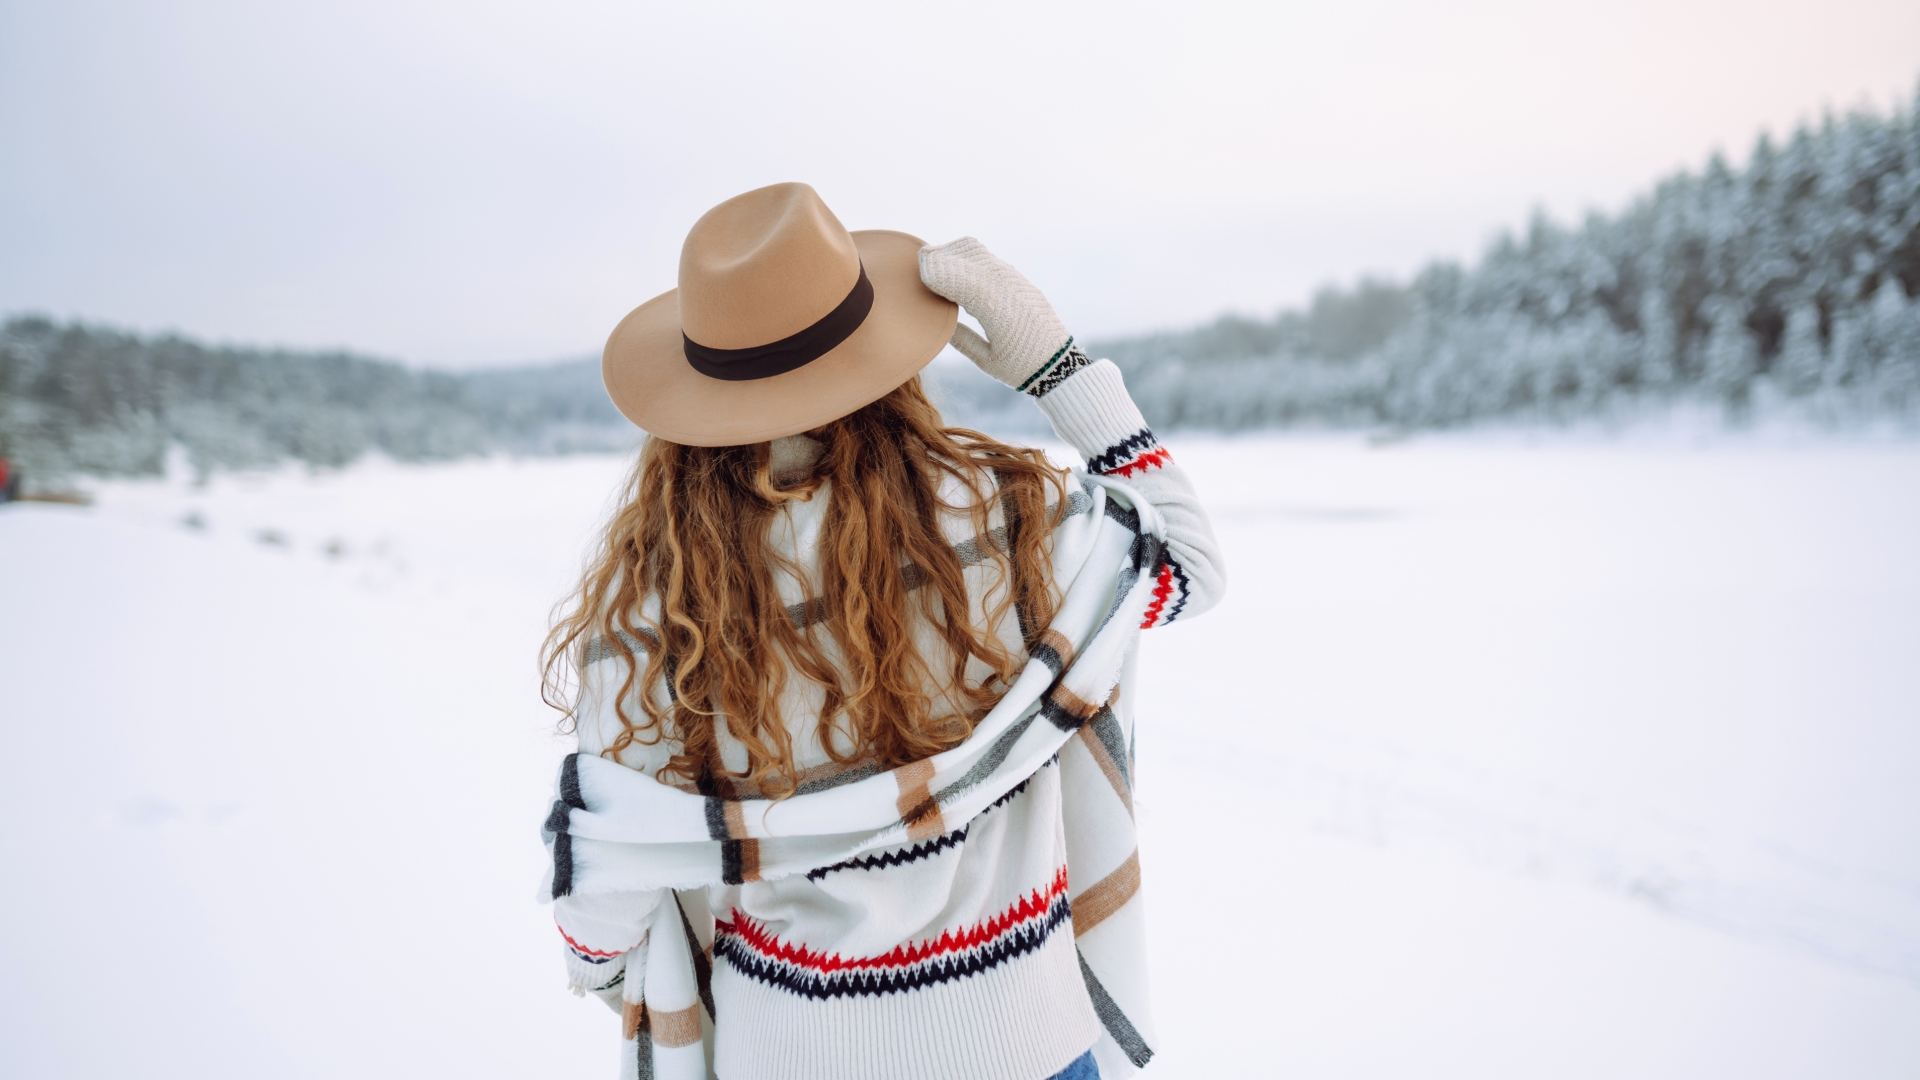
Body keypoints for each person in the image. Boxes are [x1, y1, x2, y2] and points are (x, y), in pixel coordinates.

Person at [540, 183, 1223, 1080]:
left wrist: (612, 975)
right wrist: (1057, 366)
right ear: (886, 364)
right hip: (1024, 1042)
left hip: (790, 1054)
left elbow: (609, 879)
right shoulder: (1013, 521)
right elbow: (1186, 569)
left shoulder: (655, 606)